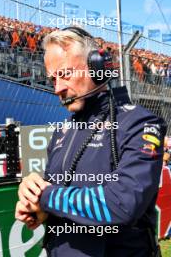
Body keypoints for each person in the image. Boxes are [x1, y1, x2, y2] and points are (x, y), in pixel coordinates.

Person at [15, 27, 166, 257]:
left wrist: (45, 197)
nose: (58, 88)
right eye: (52, 79)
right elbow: (55, 195)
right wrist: (35, 204)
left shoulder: (140, 123)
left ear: (97, 68)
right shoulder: (62, 132)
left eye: (65, 74)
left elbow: (122, 204)